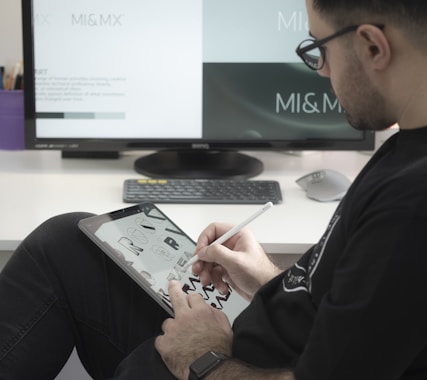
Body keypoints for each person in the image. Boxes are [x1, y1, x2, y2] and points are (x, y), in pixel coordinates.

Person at [2, 0, 427, 378]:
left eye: (320, 48)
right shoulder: (406, 151)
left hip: (223, 364)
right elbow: (352, 302)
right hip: (248, 339)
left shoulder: (410, 204)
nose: (323, 69)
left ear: (373, 46)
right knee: (69, 240)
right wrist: (266, 280)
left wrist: (202, 355)